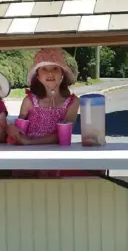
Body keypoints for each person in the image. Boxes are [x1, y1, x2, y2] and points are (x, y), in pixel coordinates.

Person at [7, 48, 80, 178]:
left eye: (55, 68)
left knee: (50, 192)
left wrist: (30, 142)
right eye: (44, 69)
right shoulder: (29, 100)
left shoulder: (73, 102)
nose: (50, 73)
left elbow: (62, 135)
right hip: (28, 158)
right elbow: (19, 128)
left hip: (55, 157)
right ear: (38, 76)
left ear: (62, 74)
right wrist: (11, 128)